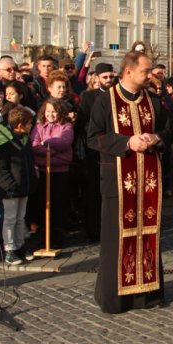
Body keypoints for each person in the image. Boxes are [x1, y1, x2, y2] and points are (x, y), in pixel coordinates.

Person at [87, 51, 170, 313]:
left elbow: (168, 131)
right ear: (129, 72)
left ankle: (147, 294)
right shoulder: (105, 101)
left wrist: (156, 139)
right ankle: (117, 298)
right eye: (146, 71)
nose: (150, 76)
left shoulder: (153, 101)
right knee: (117, 239)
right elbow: (93, 137)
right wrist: (127, 142)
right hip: (118, 183)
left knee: (148, 236)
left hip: (149, 181)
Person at [75, 62, 116, 241]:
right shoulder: (89, 97)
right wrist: (98, 132)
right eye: (105, 77)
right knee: (94, 190)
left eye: (111, 77)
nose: (108, 80)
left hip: (116, 147)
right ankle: (93, 228)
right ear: (97, 78)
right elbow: (82, 121)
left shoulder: (117, 95)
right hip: (96, 150)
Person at [0, 107, 38, 264]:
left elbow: (29, 161)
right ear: (19, 124)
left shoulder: (25, 139)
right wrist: (9, 184)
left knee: (20, 218)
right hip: (11, 189)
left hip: (24, 185)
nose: (31, 126)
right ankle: (9, 248)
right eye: (28, 123)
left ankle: (20, 245)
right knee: (10, 218)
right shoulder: (5, 140)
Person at [30, 97, 75, 243]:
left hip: (60, 171)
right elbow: (35, 145)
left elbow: (65, 142)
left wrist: (47, 144)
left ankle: (58, 232)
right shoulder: (38, 126)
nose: (51, 114)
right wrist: (51, 151)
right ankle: (44, 232)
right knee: (43, 203)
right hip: (43, 170)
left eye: (54, 112)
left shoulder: (66, 126)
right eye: (48, 111)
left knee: (59, 203)